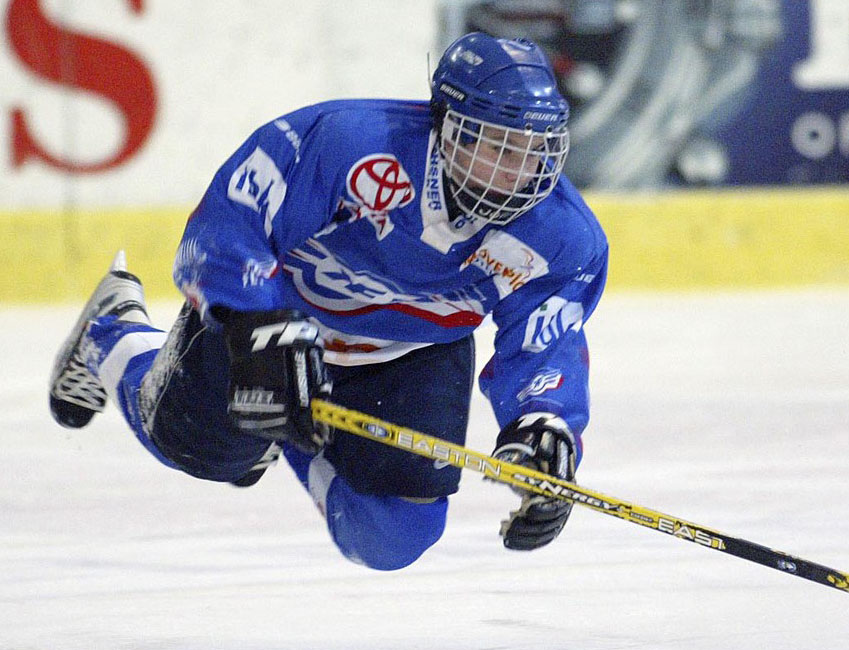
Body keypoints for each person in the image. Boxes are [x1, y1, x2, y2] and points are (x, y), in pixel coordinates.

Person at [48, 32, 608, 570]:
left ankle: (287, 435)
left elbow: (546, 341)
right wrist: (258, 322)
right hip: (281, 326)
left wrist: (543, 426)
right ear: (450, 131)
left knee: (393, 535)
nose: (521, 174)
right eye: (501, 149)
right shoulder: (345, 142)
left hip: (408, 352)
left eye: (536, 152)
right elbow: (229, 225)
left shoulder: (562, 235)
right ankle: (113, 331)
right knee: (196, 451)